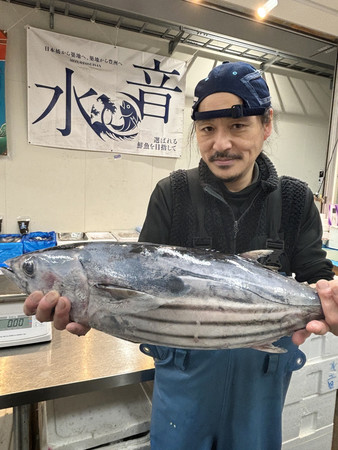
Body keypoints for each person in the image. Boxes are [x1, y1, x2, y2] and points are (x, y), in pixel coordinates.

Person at [24, 61, 338, 450]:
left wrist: (331, 300)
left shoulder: (294, 199)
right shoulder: (172, 193)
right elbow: (134, 283)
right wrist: (92, 311)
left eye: (237, 126)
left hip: (262, 377)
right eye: (207, 129)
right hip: (184, 382)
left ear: (266, 124)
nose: (220, 144)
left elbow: (315, 276)